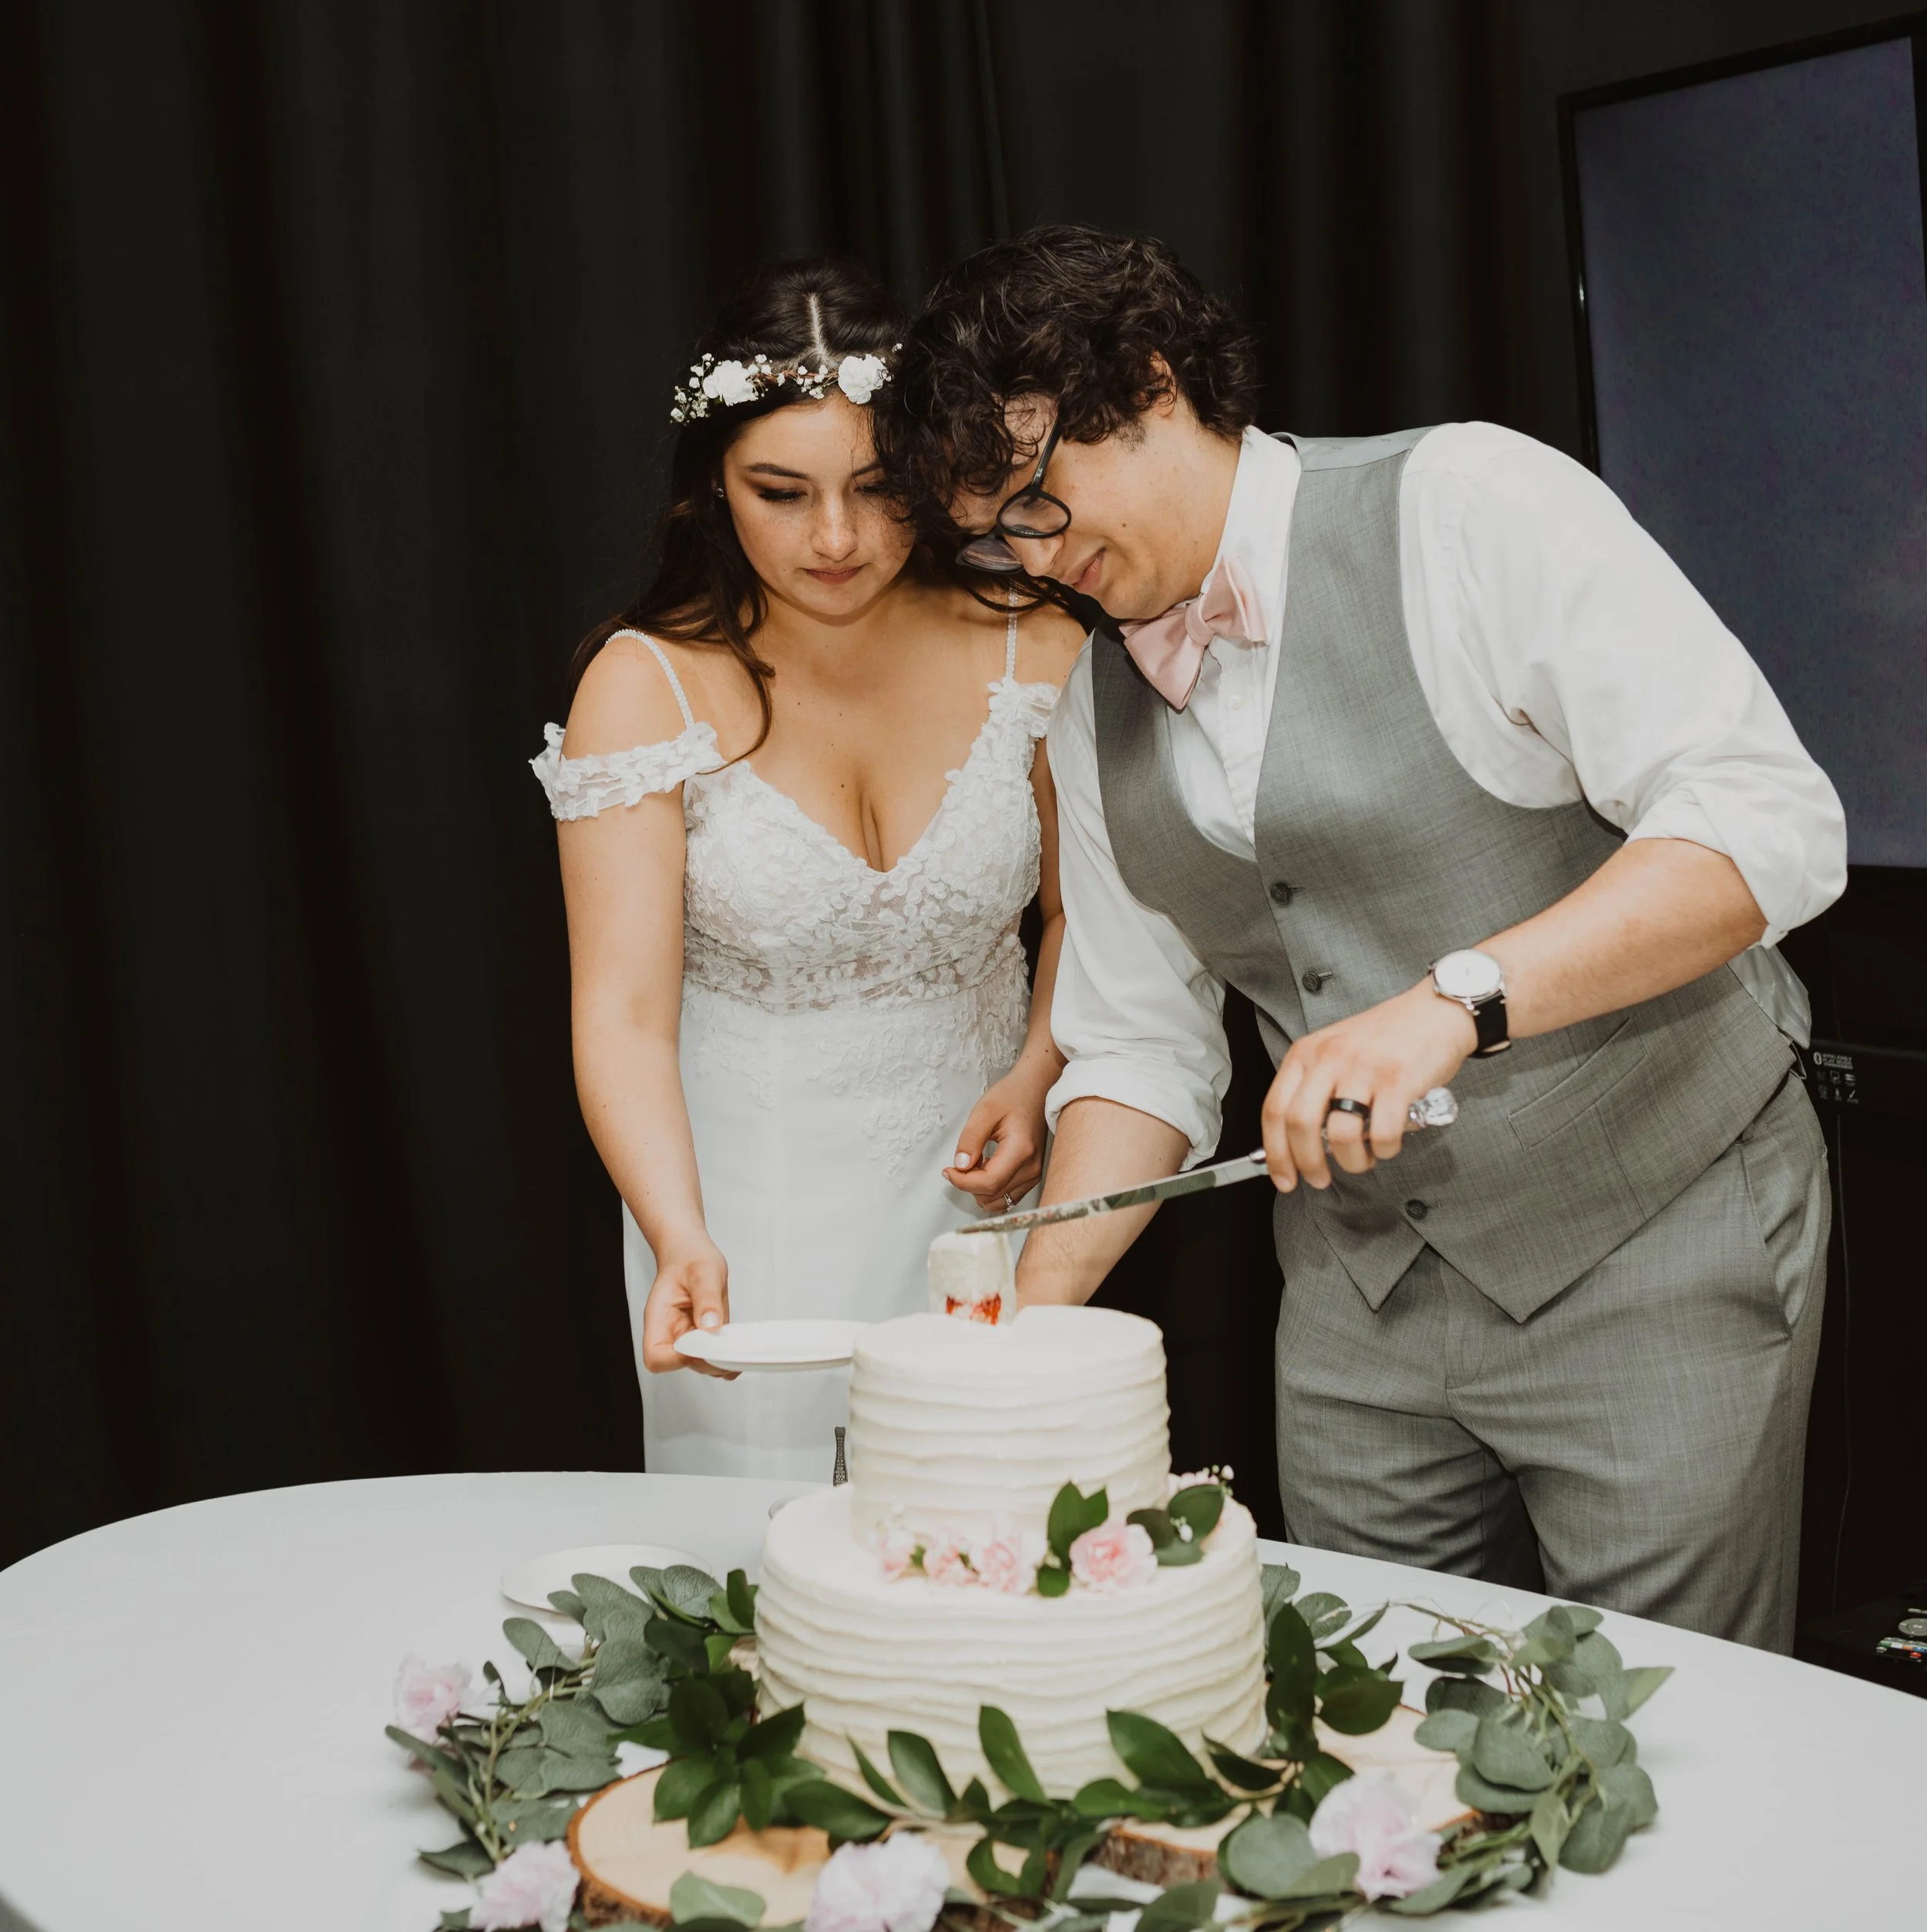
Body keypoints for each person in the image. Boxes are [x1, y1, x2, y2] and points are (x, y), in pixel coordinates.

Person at [876, 224, 1847, 1649]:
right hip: (1356, 1291)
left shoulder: (1468, 502)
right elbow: (1141, 1045)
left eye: (1034, 499)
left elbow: (1769, 821)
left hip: (1655, 1230)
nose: (1034, 557)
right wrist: (1026, 1319)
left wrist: (1458, 998)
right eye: (991, 539)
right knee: (1363, 1717)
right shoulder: (1093, 706)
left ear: (1151, 386)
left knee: (1667, 1728)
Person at [534, 258, 1082, 1479]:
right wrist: (676, 1231)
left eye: (880, 489)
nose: (835, 538)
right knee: (778, 1590)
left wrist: (1045, 1069)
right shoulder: (644, 685)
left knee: (1001, 1551)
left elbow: (1088, 919)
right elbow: (620, 1012)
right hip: (742, 1209)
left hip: (992, 1191)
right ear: (711, 489)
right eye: (781, 493)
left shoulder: (1033, 640)